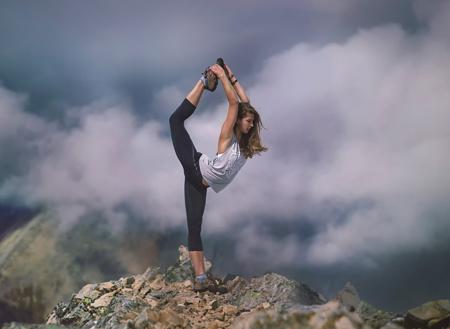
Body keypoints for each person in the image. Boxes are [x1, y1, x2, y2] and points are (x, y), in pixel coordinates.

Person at [169, 60, 267, 293]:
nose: (251, 123)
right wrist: (221, 76)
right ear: (238, 122)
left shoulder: (246, 145)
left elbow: (246, 103)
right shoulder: (228, 136)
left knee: (194, 227)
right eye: (248, 120)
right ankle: (203, 83)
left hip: (200, 184)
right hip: (195, 166)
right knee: (175, 121)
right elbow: (235, 102)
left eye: (252, 121)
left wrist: (231, 77)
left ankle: (201, 279)